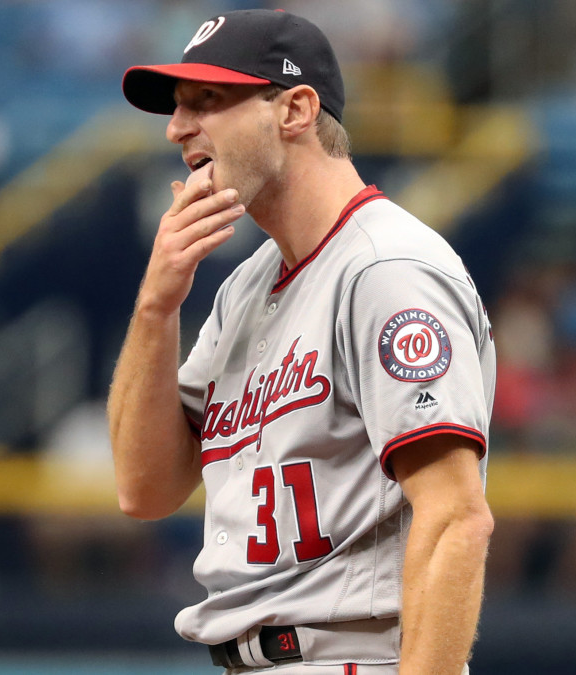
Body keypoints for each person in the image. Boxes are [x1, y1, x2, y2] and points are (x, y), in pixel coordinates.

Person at [108, 9, 495, 675]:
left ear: (295, 110)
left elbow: (455, 518)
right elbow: (144, 489)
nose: (177, 128)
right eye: (178, 107)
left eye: (208, 100)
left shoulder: (385, 268)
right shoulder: (244, 286)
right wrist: (155, 305)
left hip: (354, 655)